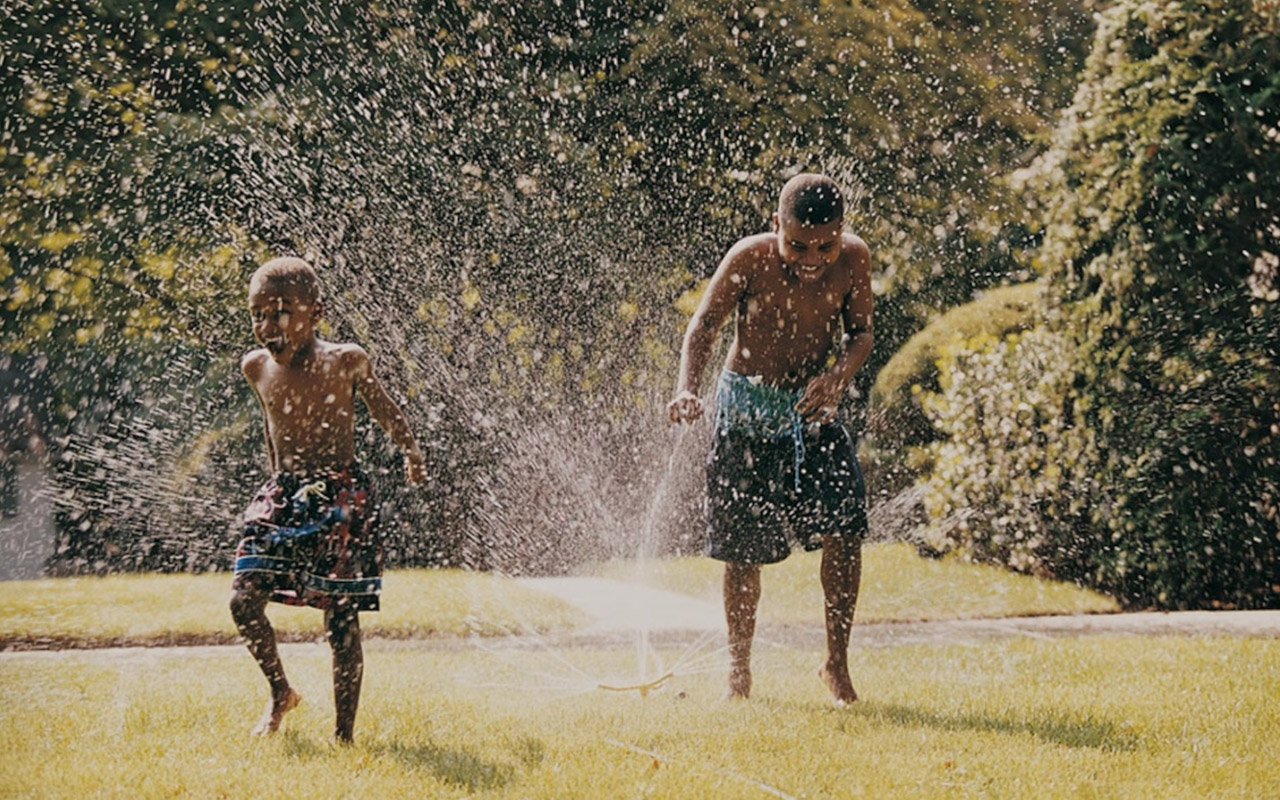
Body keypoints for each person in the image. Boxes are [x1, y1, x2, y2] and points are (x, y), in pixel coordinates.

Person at [668, 173, 873, 704]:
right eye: (798, 245)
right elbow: (705, 325)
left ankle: (836, 665)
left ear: (841, 232)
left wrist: (839, 378)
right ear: (776, 224)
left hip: (812, 409)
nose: (812, 258)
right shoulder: (750, 258)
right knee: (743, 552)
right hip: (748, 413)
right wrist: (688, 390)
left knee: (846, 527)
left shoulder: (853, 260)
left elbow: (861, 333)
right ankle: (739, 674)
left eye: (825, 245)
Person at [230, 257, 427, 742]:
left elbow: (385, 407)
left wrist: (411, 449)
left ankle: (344, 735)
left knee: (340, 620)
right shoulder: (256, 367)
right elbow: (272, 432)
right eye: (257, 314)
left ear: (314, 312)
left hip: (339, 496)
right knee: (243, 600)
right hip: (284, 495)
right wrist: (276, 486)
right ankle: (281, 692)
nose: (266, 325)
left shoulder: (345, 360)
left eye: (280, 312)